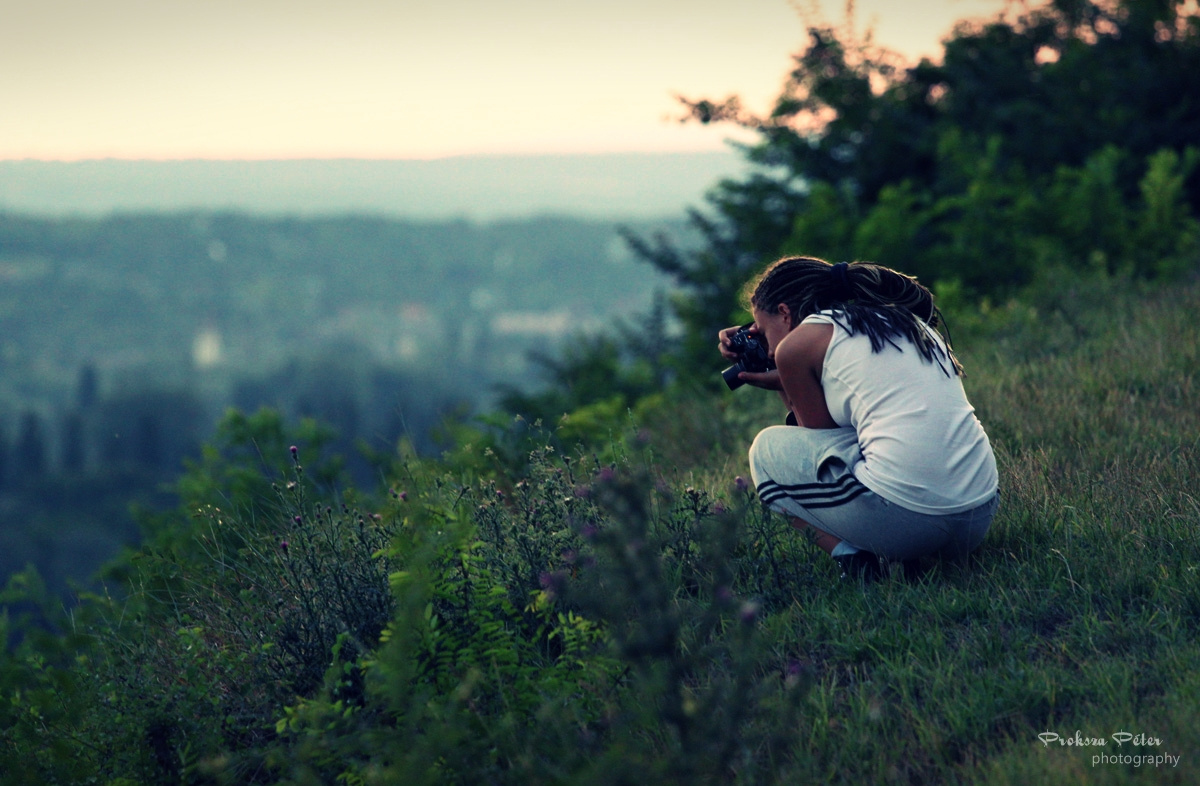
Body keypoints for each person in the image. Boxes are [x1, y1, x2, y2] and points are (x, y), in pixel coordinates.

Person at [718, 256, 999, 581]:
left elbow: (818, 446)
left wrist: (782, 372)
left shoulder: (795, 348)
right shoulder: (903, 318)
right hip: (978, 515)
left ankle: (856, 561)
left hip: (914, 526)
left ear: (784, 312)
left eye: (764, 333)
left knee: (765, 453)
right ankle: (895, 543)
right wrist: (781, 367)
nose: (767, 350)